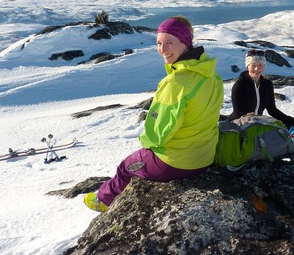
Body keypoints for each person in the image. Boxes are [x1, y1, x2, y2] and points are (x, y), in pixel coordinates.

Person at [84, 16, 224, 212]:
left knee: (127, 166)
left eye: (169, 43)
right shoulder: (213, 76)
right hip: (205, 157)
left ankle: (103, 201)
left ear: (185, 43)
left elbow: (157, 134)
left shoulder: (176, 82)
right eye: (159, 43)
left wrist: (146, 146)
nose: (163, 49)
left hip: (177, 162)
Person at [228, 49, 294, 130]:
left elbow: (272, 110)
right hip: (236, 125)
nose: (257, 69)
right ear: (247, 66)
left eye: (260, 65)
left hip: (255, 124)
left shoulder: (267, 85)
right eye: (253, 65)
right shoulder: (239, 85)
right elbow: (239, 114)